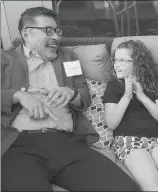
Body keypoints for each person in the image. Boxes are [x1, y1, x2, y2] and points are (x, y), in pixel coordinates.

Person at [1, 7, 140, 191]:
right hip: (19, 146)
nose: (56, 37)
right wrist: (18, 96)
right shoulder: (5, 60)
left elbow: (83, 94)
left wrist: (71, 93)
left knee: (125, 188)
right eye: (48, 31)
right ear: (26, 34)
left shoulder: (67, 56)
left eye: (57, 31)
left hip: (66, 143)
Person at [103, 40, 158, 191]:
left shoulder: (152, 84)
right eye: (115, 60)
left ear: (137, 63)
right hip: (128, 141)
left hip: (156, 139)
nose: (116, 64)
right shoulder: (114, 86)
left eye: (122, 60)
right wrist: (126, 97)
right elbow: (111, 123)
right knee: (154, 187)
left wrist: (142, 96)